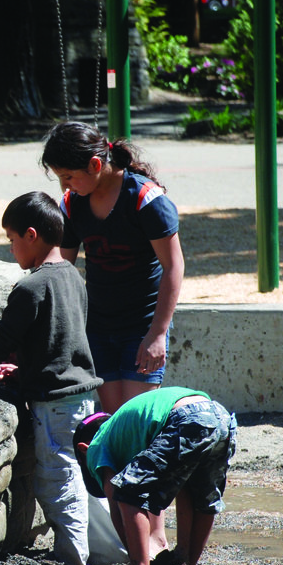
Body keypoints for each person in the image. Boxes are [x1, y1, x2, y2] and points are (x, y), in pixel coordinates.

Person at [0, 191, 125, 565]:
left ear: (31, 235)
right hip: (84, 394)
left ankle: (74, 558)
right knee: (88, 477)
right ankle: (109, 553)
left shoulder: (31, 287)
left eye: (11, 239)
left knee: (58, 479)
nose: (11, 249)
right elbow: (60, 344)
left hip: (54, 404)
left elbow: (2, 342)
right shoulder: (74, 277)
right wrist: (25, 372)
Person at [41, 121, 184, 415]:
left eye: (68, 176)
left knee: (135, 418)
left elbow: (173, 267)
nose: (65, 185)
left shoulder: (145, 199)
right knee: (112, 419)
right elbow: (62, 268)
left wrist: (158, 334)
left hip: (142, 326)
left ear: (95, 164)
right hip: (97, 326)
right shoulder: (72, 204)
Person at [73, 386, 237, 565]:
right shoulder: (129, 429)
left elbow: (117, 500)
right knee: (200, 494)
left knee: (126, 492)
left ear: (83, 449)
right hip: (220, 415)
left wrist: (135, 556)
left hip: (185, 417)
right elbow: (187, 492)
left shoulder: (96, 445)